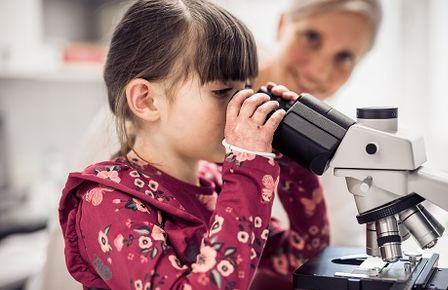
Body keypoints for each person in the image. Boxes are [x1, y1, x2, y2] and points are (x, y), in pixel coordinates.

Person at [58, 0, 329, 289]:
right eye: (223, 91)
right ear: (146, 100)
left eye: (247, 89)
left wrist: (290, 157)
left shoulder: (215, 185)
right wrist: (250, 168)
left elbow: (301, 261)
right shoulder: (109, 202)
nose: (243, 104)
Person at [253, 0, 381, 248]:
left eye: (344, 56)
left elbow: (339, 248)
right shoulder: (208, 95)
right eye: (311, 37)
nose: (318, 72)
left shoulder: (333, 149)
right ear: (281, 25)